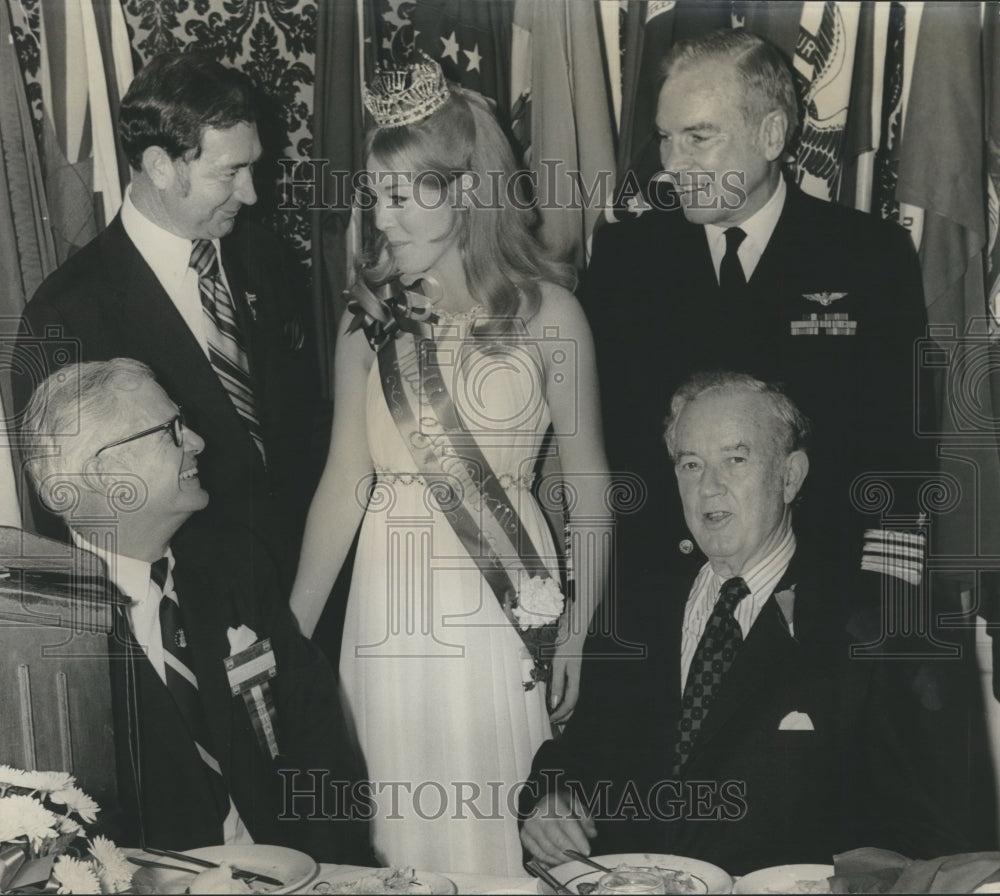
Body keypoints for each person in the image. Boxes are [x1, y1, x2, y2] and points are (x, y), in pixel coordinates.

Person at [289, 59, 611, 876]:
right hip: (388, 601)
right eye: (375, 192)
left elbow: (589, 484)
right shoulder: (368, 314)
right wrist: (291, 633)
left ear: (465, 190)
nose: (381, 215)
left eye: (403, 193)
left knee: (502, 822)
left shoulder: (552, 313)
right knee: (400, 827)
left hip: (500, 602)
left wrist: (582, 623)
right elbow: (345, 480)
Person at [519, 371, 974, 876]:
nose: (708, 486)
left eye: (735, 459)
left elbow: (934, 835)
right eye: (690, 464)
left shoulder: (878, 625)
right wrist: (550, 799)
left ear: (789, 476)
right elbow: (576, 755)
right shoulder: (632, 613)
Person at [584, 29, 936, 596]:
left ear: (771, 133)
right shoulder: (627, 257)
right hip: (662, 586)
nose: (673, 162)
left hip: (820, 587)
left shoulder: (866, 255)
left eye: (699, 137)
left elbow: (901, 431)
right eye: (665, 137)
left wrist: (881, 590)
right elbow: (610, 436)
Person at [19, 358, 372, 863]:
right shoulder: (36, 630)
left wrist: (327, 873)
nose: (198, 442)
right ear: (105, 471)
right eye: (171, 430)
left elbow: (321, 748)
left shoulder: (235, 566)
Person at [14, 52, 318, 580]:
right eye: (230, 172)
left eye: (253, 166)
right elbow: (65, 513)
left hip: (305, 578)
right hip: (185, 616)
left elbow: (300, 423)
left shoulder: (264, 257)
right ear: (160, 166)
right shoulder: (66, 313)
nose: (250, 193)